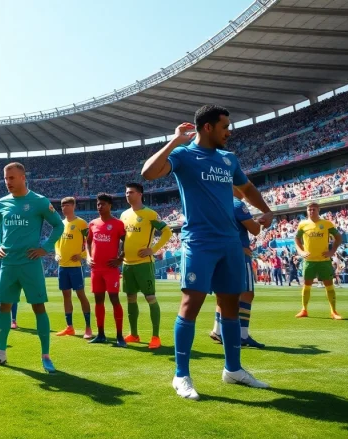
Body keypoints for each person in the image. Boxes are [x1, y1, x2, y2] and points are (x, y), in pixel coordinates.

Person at [141, 105, 274, 400]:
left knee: (230, 305)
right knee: (191, 304)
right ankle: (181, 376)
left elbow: (247, 187)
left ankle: (233, 370)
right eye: (225, 126)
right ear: (208, 127)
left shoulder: (228, 159)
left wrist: (267, 211)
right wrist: (175, 140)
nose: (229, 132)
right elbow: (148, 173)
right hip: (199, 241)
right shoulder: (184, 155)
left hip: (230, 242)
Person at [0, 162, 64, 373]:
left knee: (38, 307)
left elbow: (58, 225)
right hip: (8, 264)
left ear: (23, 177)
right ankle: (0, 353)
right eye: (5, 178)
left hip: (30, 264)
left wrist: (45, 248)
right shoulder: (1, 203)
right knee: (3, 307)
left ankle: (46, 356)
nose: (7, 182)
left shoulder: (39, 201)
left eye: (12, 178)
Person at [210, 188, 265, 349]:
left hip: (221, 253)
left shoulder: (217, 203)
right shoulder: (237, 204)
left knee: (224, 294)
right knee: (247, 294)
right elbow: (255, 230)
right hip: (238, 255)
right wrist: (260, 221)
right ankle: (242, 334)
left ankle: (217, 330)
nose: (246, 190)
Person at [120, 183, 171, 349]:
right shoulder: (124, 215)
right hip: (127, 265)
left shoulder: (150, 214)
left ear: (140, 194)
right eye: (127, 192)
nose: (128, 195)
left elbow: (167, 232)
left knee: (150, 298)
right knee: (130, 299)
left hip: (144, 264)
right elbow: (124, 239)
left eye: (131, 192)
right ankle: (134, 334)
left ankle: (155, 337)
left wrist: (153, 249)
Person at [86, 193, 126, 347]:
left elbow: (126, 241)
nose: (99, 207)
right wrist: (88, 256)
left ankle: (119, 336)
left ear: (110, 205)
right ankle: (101, 334)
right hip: (96, 270)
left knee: (115, 300)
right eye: (98, 204)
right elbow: (88, 242)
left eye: (102, 204)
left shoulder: (117, 224)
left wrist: (120, 258)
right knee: (98, 301)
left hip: (111, 270)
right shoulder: (93, 224)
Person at [294, 203, 343, 320]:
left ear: (318, 210)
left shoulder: (326, 224)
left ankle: (333, 311)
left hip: (324, 260)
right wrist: (301, 251)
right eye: (309, 209)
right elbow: (296, 239)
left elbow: (338, 238)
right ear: (307, 211)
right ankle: (304, 309)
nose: (311, 211)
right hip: (309, 261)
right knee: (306, 285)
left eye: (313, 209)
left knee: (329, 285)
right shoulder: (302, 224)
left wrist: (332, 252)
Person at [54, 196, 92, 339]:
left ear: (74, 206)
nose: (64, 208)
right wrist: (57, 254)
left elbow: (90, 241)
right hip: (62, 266)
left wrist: (82, 255)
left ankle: (88, 327)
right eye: (62, 205)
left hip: (76, 267)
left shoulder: (81, 223)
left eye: (67, 205)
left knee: (81, 295)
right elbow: (57, 242)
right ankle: (69, 327)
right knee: (66, 296)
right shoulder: (60, 224)